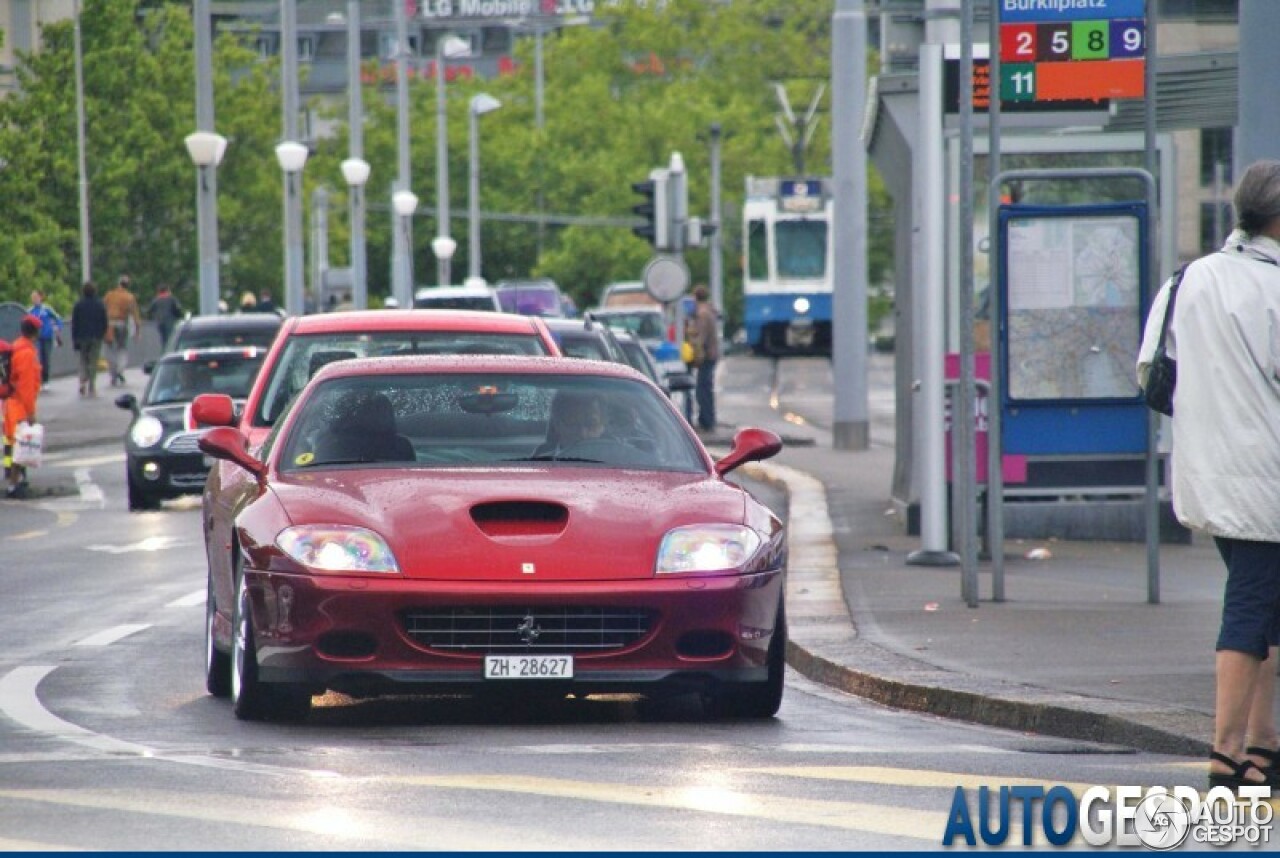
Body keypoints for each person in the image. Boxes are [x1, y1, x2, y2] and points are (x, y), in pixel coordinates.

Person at [1137, 159, 1280, 790]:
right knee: (1251, 609)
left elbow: (1151, 372)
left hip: (1210, 472)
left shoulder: (1187, 280)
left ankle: (1262, 746)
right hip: (1268, 477)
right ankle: (1227, 754)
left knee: (1266, 607)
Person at [3, 315, 42, 498]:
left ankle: (14, 479)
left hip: (10, 404)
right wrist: (31, 412)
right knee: (21, 446)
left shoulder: (17, 346)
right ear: (35, 333)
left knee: (12, 445)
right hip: (18, 405)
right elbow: (26, 386)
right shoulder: (27, 353)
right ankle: (14, 483)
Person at [689, 284, 721, 433]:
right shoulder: (710, 311)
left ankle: (706, 420)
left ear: (695, 297)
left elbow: (700, 337)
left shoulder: (702, 314)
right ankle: (708, 418)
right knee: (706, 387)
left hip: (706, 355)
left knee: (702, 389)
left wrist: (697, 355)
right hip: (713, 353)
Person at [536, 391, 606, 457]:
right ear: (557, 425)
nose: (582, 433)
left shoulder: (615, 462)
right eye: (573, 422)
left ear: (602, 426)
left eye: (591, 423)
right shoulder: (539, 464)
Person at [71, 282, 108, 397]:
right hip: (96, 337)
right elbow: (104, 321)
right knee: (93, 361)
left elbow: (74, 323)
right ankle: (92, 384)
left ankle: (82, 382)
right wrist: (102, 333)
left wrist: (75, 338)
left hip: (82, 337)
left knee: (83, 360)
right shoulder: (100, 305)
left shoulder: (78, 305)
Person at [104, 274, 142, 387]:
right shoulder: (129, 297)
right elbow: (135, 315)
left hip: (109, 324)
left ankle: (112, 372)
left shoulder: (109, 295)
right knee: (122, 348)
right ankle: (120, 370)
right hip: (121, 323)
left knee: (110, 350)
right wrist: (137, 331)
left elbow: (102, 309)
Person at [26, 289, 64, 389]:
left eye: (36, 297)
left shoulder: (47, 309)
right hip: (35, 339)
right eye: (32, 298)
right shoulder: (29, 311)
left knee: (46, 359)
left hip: (47, 337)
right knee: (37, 359)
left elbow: (58, 318)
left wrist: (57, 329)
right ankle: (39, 380)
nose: (34, 300)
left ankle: (46, 380)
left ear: (40, 298)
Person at [145, 284, 184, 351]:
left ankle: (164, 352)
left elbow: (149, 310)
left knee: (163, 339)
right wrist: (179, 316)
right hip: (170, 321)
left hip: (159, 322)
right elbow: (178, 308)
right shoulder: (172, 299)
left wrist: (154, 317)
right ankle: (170, 352)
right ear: (167, 290)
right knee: (171, 339)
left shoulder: (156, 300)